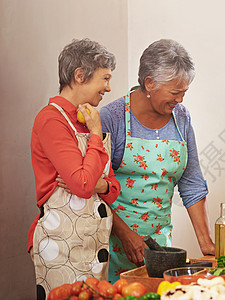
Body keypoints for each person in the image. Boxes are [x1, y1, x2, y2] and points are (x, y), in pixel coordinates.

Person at [100, 39, 215, 281]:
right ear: (149, 83)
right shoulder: (112, 118)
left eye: (184, 92)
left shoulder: (181, 117)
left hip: (159, 247)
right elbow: (95, 188)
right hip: (113, 243)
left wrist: (207, 245)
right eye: (175, 92)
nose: (180, 100)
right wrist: (125, 234)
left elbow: (191, 184)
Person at [28, 39, 120, 299]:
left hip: (94, 246)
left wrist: (98, 184)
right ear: (80, 75)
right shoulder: (51, 119)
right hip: (60, 246)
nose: (108, 88)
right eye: (105, 78)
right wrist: (95, 135)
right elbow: (82, 185)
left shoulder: (88, 119)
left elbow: (111, 189)